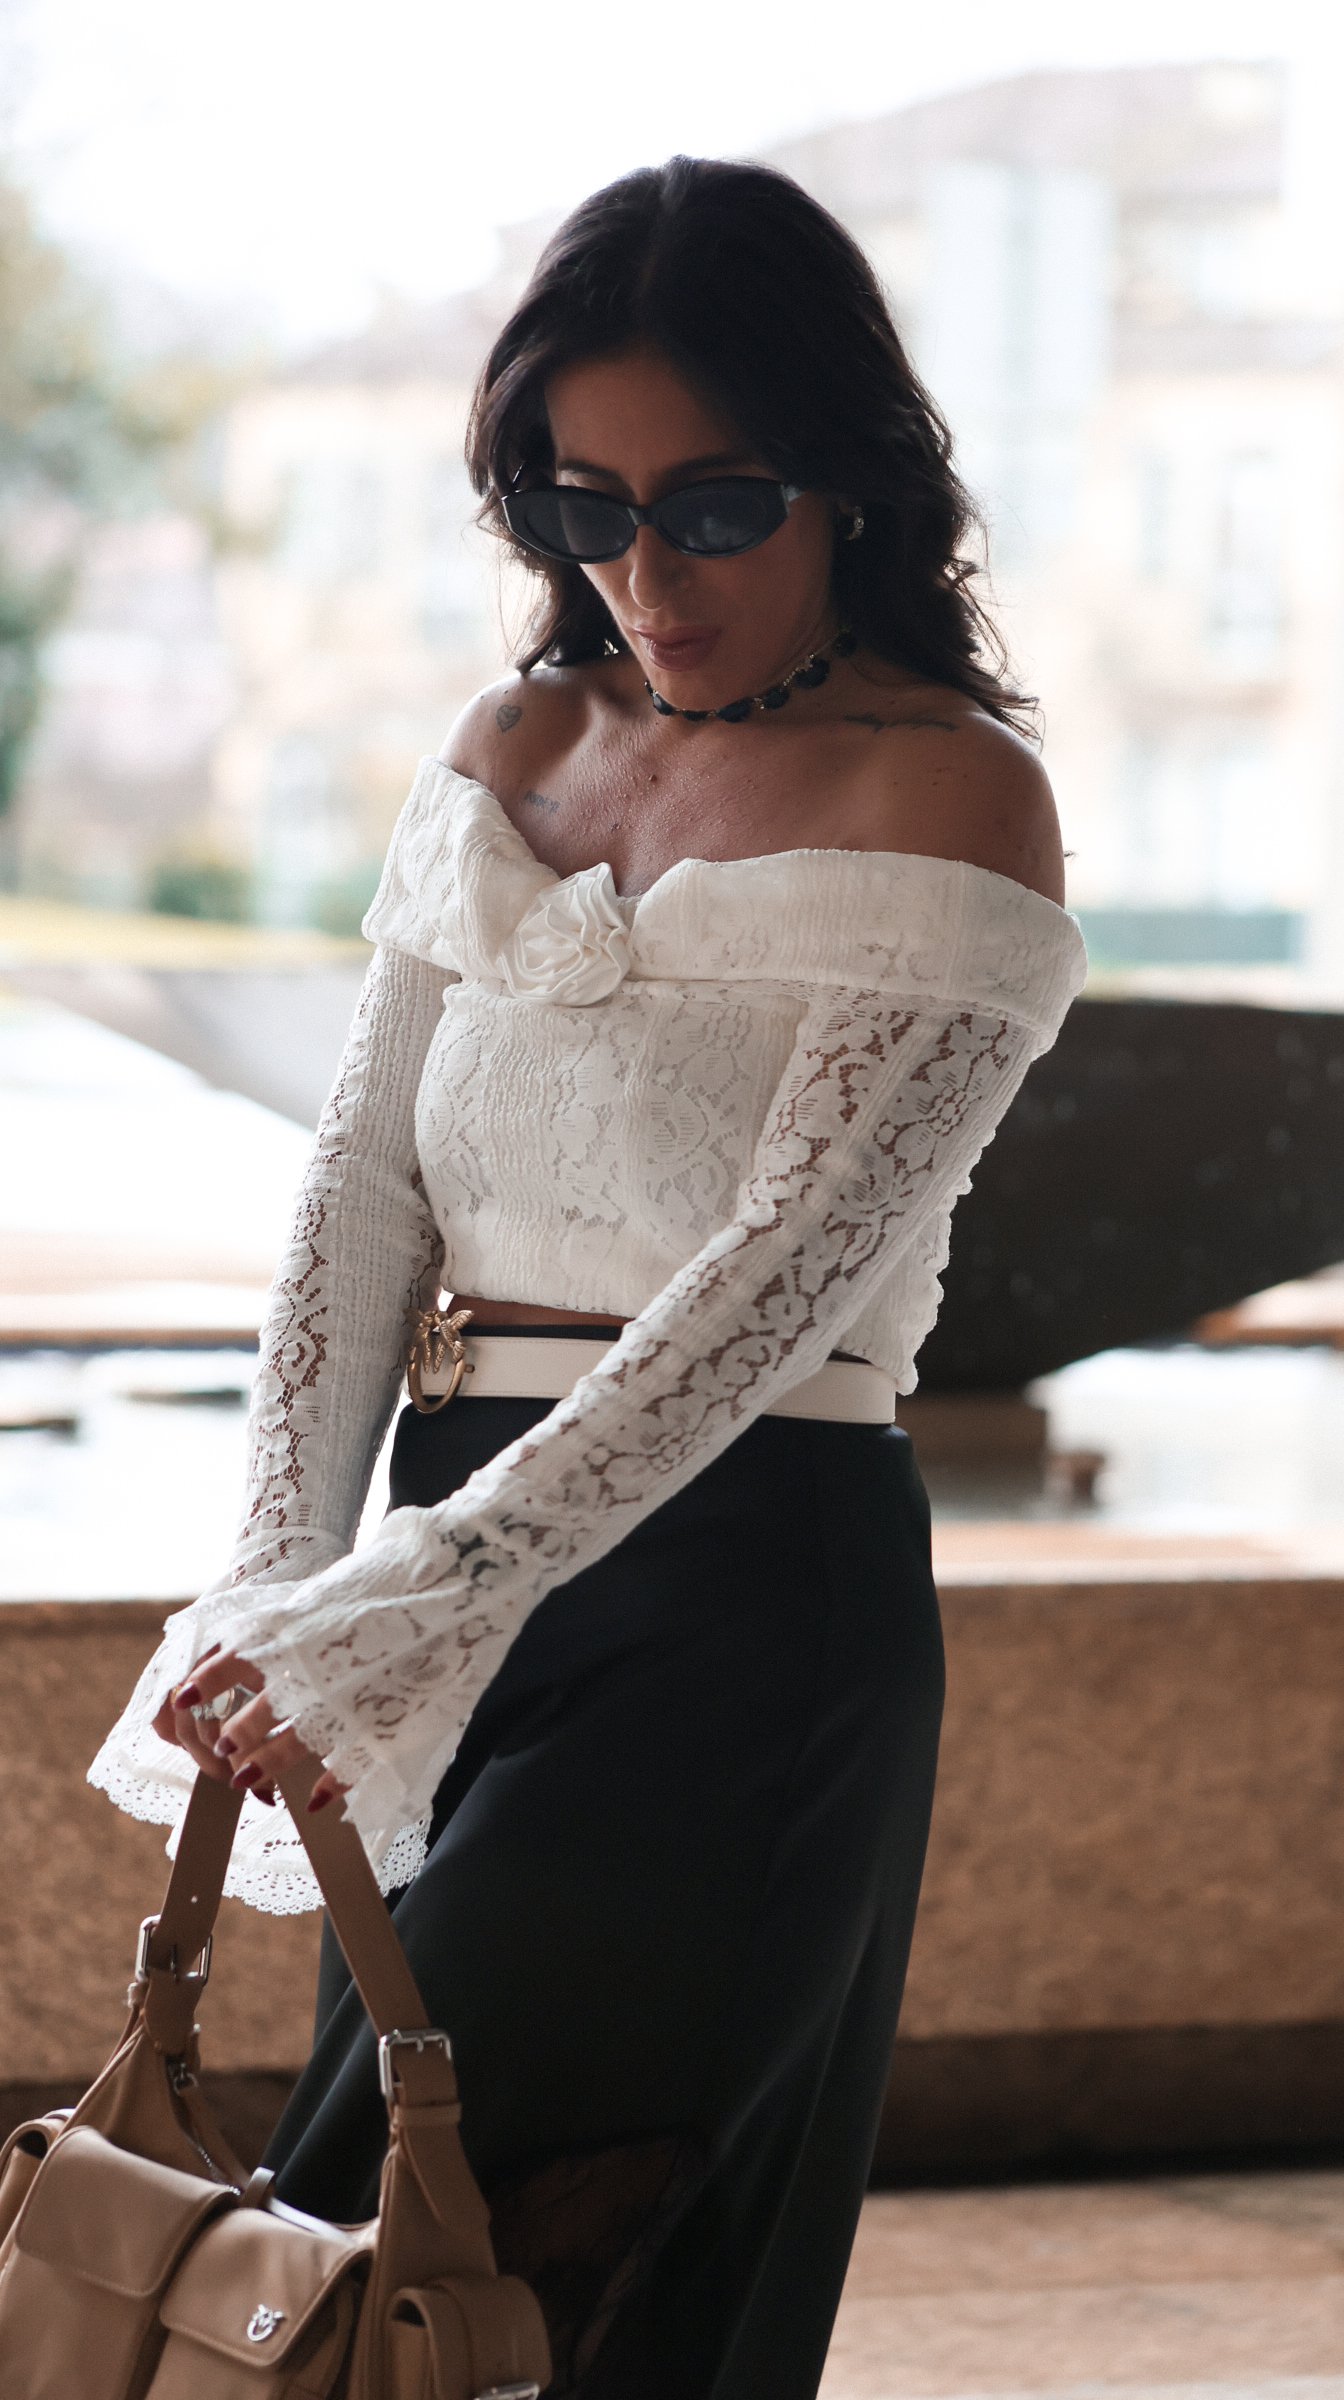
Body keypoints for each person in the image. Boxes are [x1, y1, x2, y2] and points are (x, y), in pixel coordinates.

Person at [88, 154, 1088, 2398]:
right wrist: (282, 1575)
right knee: (380, 2300)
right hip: (432, 1575)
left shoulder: (956, 799)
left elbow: (771, 1288)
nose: (648, 575)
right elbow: (359, 1188)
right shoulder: (514, 744)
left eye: (714, 507)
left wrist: (413, 1593)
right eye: (585, 509)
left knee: (533, 2271)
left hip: (739, 1599)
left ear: (848, 476)